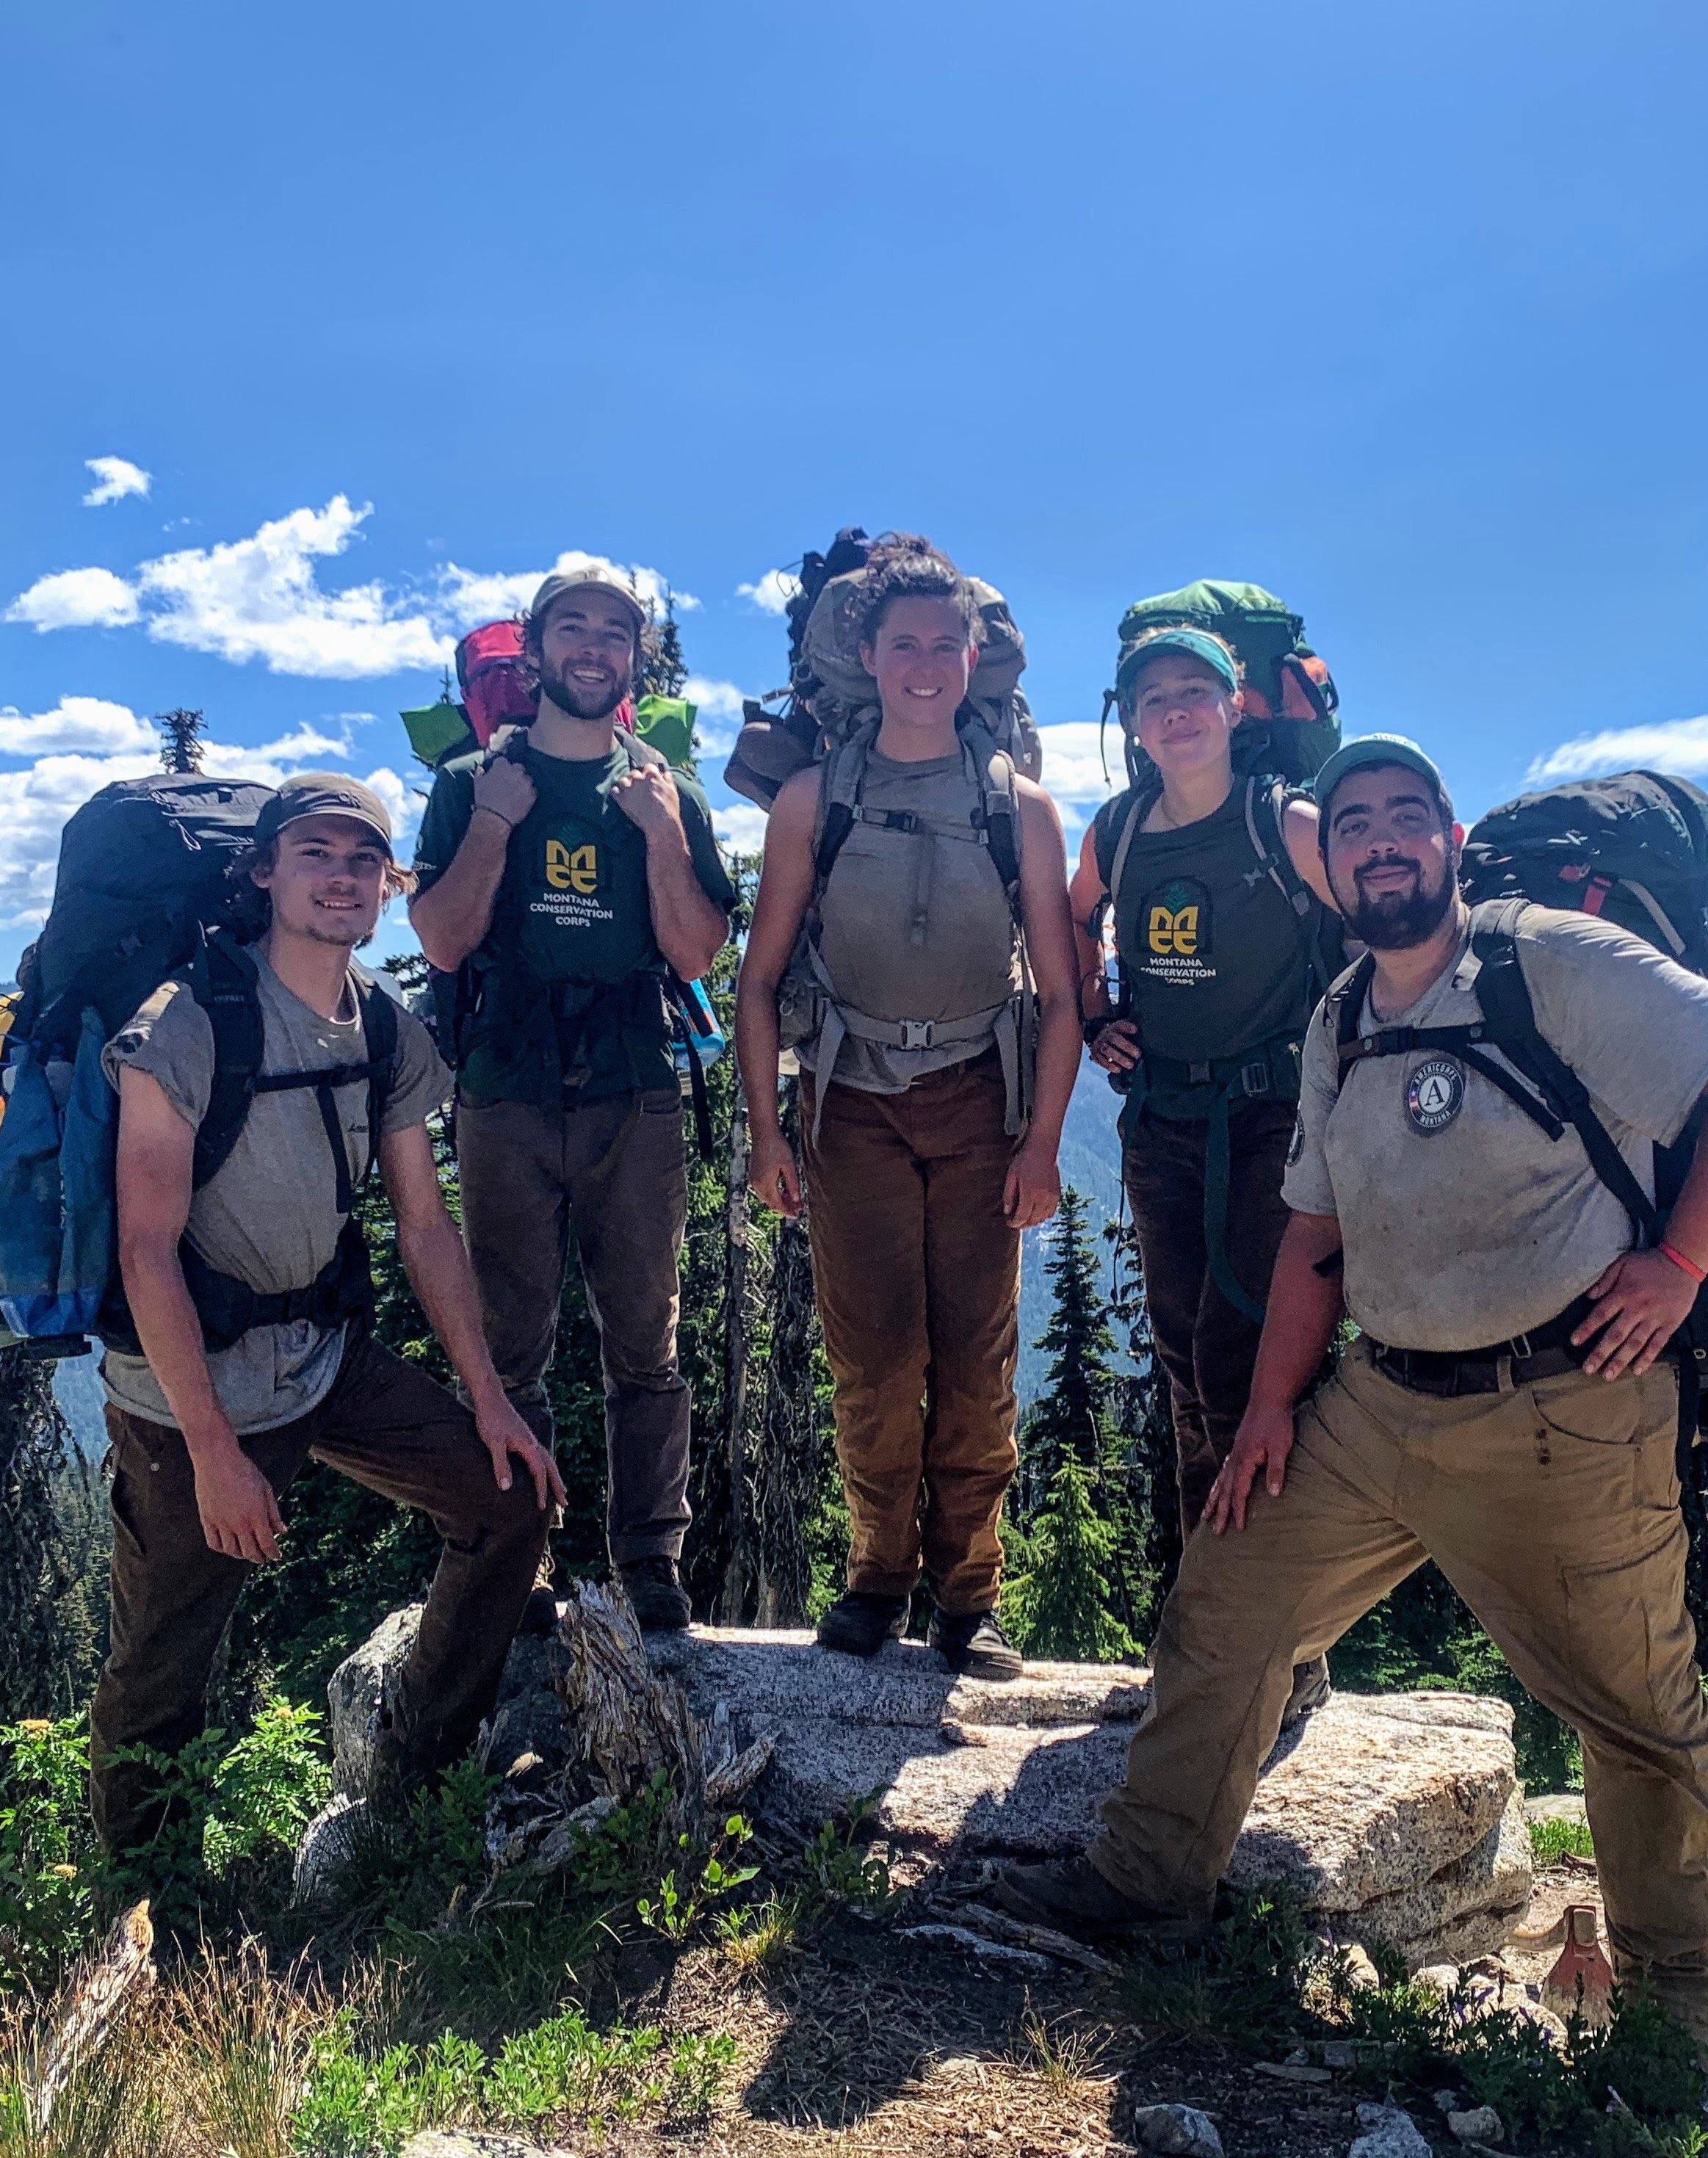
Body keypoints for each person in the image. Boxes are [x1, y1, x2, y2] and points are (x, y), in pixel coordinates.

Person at [998, 735, 1708, 2037]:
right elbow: (1313, 1238)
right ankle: (1147, 1888)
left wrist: (1674, 1263)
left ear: (1445, 839)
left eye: (1405, 816)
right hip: (1383, 1402)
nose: (1380, 838)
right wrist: (1271, 1408)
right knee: (1228, 1603)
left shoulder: (1550, 958)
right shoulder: (1342, 1017)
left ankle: (1676, 2023)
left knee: (1638, 1720)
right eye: (1359, 820)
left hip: (1566, 1406)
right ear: (1337, 861)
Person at [90, 774, 559, 1855]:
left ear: (390, 886)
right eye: (315, 854)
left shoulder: (383, 1032)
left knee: (507, 1501)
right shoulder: (187, 1024)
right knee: (162, 1665)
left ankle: (419, 1787)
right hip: (186, 1390)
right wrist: (213, 1452)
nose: (341, 878)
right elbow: (144, 1248)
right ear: (264, 872)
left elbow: (426, 1228)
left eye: (363, 862)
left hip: (322, 1357)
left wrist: (489, 1402)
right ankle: (147, 1899)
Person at [734, 537, 1085, 1679]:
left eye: (945, 645)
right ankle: (877, 1578)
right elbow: (756, 978)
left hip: (982, 1102)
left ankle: (967, 1599)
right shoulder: (812, 800)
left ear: (972, 655)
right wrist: (767, 1133)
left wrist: (1041, 1143)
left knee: (977, 1367)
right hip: (852, 1107)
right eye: (904, 647)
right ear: (870, 658)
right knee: (875, 1362)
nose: (925, 665)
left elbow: (1064, 995)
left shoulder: (1020, 808)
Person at [409, 563, 735, 1634]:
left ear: (632, 659)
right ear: (538, 651)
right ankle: (521, 1562)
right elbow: (445, 939)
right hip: (505, 1087)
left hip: (632, 1088)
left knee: (647, 1341)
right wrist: (497, 825)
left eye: (614, 633)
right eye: (573, 629)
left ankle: (651, 1562)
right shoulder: (470, 784)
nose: (593, 647)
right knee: (512, 1345)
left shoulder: (662, 790)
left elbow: (694, 948)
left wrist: (661, 836)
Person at [1068, 624, 1341, 1719]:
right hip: (1167, 1119)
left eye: (1195, 691)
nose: (1175, 710)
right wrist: (1094, 1011)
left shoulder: (1284, 821)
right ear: (1130, 722)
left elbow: (1380, 928)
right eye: (1153, 697)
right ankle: (1218, 1626)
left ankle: (1277, 1644)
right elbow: (1071, 915)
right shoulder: (1123, 829)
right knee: (1186, 1371)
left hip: (1276, 1123)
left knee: (1251, 1371)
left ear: (1235, 705)